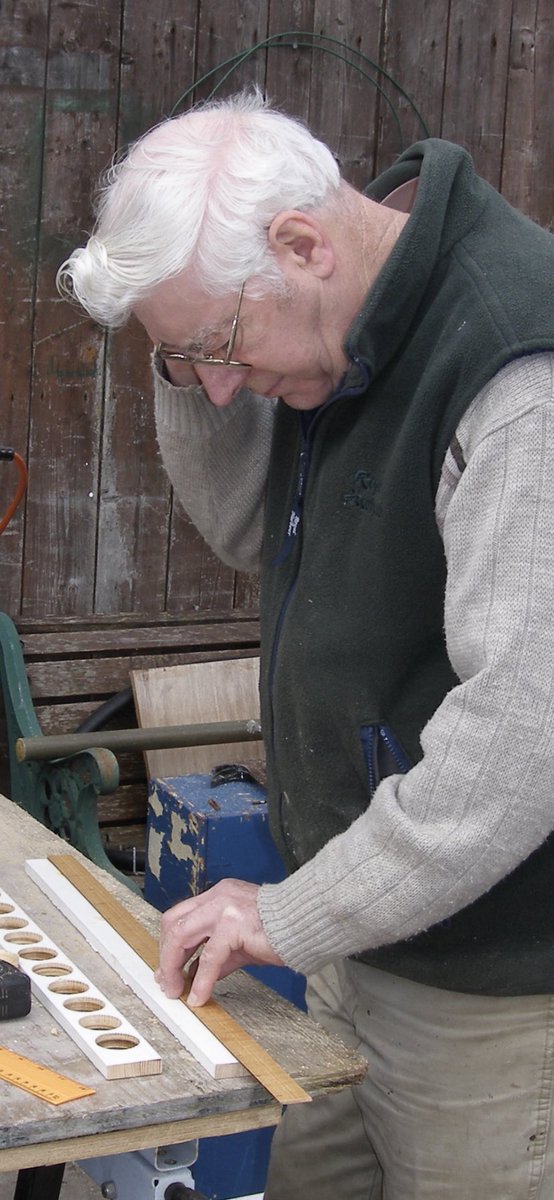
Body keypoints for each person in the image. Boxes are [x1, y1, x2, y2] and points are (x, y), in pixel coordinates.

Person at [57, 90, 554, 1199]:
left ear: (301, 243)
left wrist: (289, 910)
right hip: (355, 930)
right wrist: (184, 350)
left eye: (222, 344)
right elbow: (244, 521)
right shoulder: (340, 315)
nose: (223, 387)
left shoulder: (515, 365)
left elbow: (525, 740)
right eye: (190, 360)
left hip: (498, 999)